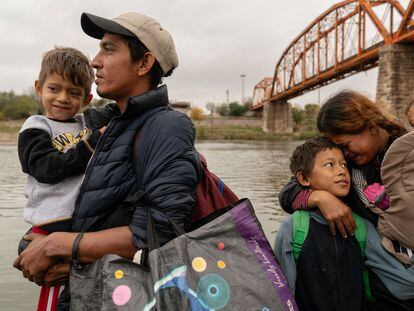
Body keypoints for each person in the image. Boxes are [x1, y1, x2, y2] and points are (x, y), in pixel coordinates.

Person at [13, 11, 199, 310]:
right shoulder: (101, 123)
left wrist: (57, 245)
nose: (95, 61)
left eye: (108, 49)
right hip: (85, 293)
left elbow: (160, 231)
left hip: (122, 298)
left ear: (144, 63)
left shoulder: (166, 127)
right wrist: (42, 234)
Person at [278, 90, 414, 310]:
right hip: (379, 293)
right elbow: (289, 192)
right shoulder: (349, 168)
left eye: (345, 144)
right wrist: (319, 197)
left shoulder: (407, 154)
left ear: (370, 127)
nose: (344, 154)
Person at [17, 47, 114, 311]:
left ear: (86, 99)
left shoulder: (86, 122)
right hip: (50, 224)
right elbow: (44, 169)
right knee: (56, 295)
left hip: (82, 225)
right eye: (54, 89)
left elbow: (123, 109)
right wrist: (89, 146)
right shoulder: (36, 126)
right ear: (39, 87)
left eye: (73, 93)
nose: (62, 98)